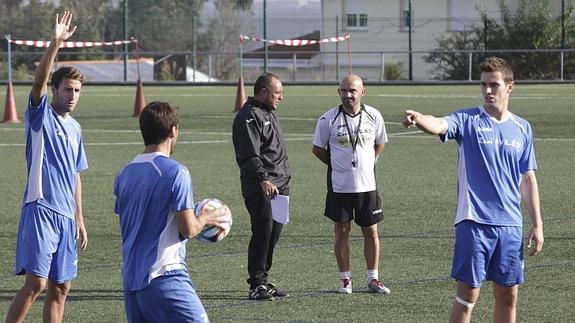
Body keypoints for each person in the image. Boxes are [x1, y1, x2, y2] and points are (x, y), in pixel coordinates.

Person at [401, 57, 544, 323]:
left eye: (494, 85)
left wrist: (537, 223)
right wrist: (420, 119)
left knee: (508, 296)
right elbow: (440, 124)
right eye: (483, 85)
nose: (488, 91)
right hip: (474, 222)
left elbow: (527, 178)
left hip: (510, 226)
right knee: (468, 295)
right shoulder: (467, 119)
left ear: (510, 87)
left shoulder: (522, 128)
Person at [5, 11, 88, 323]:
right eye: (67, 89)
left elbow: (76, 173)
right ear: (55, 90)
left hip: (67, 216)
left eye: (77, 91)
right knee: (36, 283)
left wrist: (79, 216)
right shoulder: (40, 116)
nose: (72, 96)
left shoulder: (76, 128)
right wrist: (55, 43)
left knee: (62, 287)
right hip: (40, 208)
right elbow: (38, 81)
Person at [113, 101, 229, 322]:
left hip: (131, 281)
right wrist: (205, 216)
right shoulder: (176, 172)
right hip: (164, 274)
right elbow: (188, 229)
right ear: (173, 130)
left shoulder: (124, 173)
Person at [312, 74, 391, 295]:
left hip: (367, 186)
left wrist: (369, 162)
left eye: (352, 91)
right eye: (344, 91)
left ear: (362, 92)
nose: (348, 95)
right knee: (341, 232)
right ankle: (345, 280)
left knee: (371, 233)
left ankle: (373, 279)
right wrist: (337, 164)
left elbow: (380, 143)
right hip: (340, 187)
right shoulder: (327, 119)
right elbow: (317, 149)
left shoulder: (374, 115)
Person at [232, 73, 291, 301]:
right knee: (262, 231)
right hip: (261, 186)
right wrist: (263, 179)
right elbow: (249, 155)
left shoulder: (268, 113)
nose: (281, 98)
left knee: (273, 234)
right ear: (264, 91)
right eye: (278, 93)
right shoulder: (248, 117)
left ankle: (264, 280)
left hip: (280, 186)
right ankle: (256, 284)